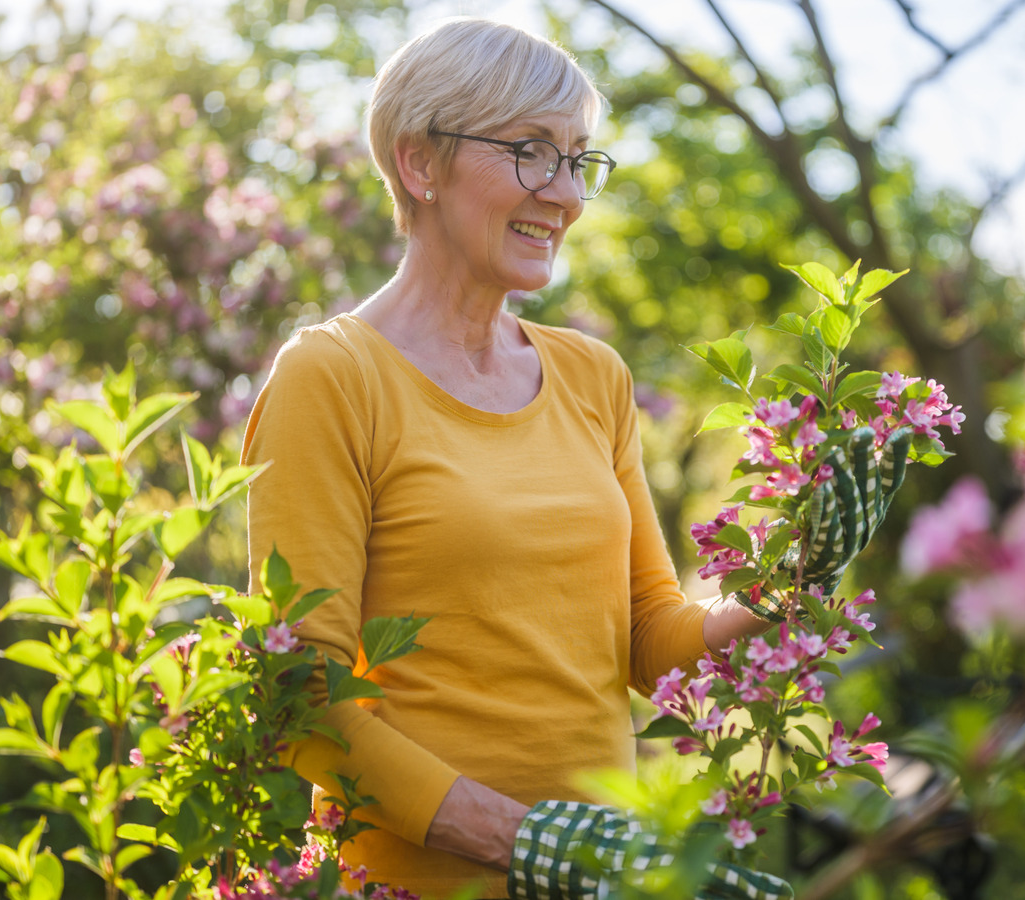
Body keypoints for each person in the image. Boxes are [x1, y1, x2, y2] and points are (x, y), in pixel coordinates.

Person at [241, 19, 784, 899]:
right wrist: (525, 840)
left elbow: (647, 638)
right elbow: (299, 694)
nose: (565, 195)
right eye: (532, 153)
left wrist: (787, 573)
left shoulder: (592, 376)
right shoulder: (332, 378)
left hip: (604, 876)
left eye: (578, 160)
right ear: (420, 162)